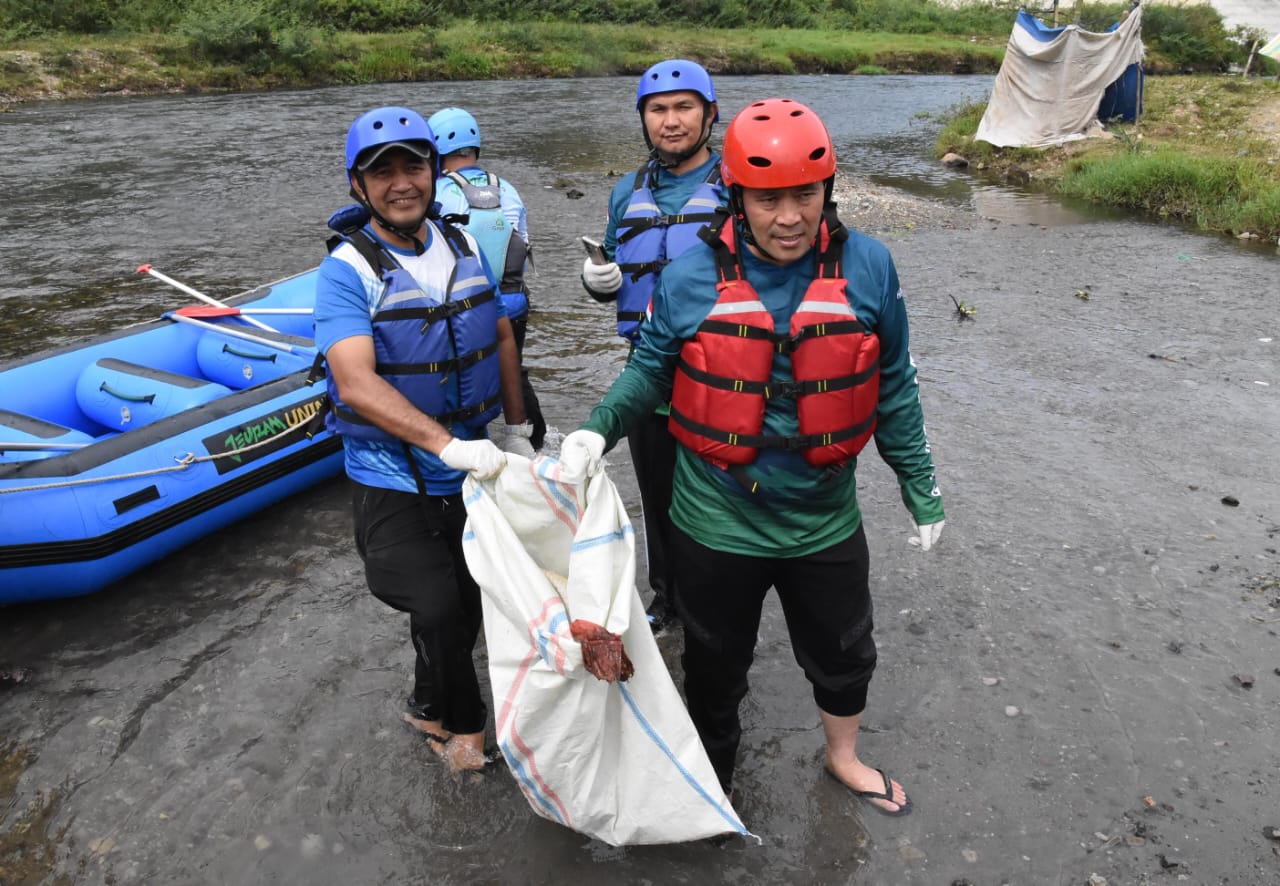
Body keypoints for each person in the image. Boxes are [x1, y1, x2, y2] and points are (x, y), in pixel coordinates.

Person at [559, 98, 946, 815]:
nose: (790, 217)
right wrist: (596, 430)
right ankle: (715, 781)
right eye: (769, 199)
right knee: (714, 662)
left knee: (845, 652)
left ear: (828, 189)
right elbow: (649, 371)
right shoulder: (688, 277)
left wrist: (920, 487)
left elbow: (893, 384)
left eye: (806, 194)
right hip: (716, 518)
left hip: (823, 518)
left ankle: (843, 757)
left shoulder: (870, 267)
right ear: (736, 196)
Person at [314, 105, 534, 772]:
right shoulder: (346, 270)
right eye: (382, 172)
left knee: (468, 606)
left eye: (413, 166)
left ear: (434, 172)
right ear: (358, 185)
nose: (401, 183)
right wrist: (445, 445)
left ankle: (426, 703)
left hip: (471, 467)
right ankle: (467, 732)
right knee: (436, 605)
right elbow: (354, 381)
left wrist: (518, 430)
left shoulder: (464, 244)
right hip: (391, 473)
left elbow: (500, 335)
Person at [579, 58, 727, 634]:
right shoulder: (627, 191)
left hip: (723, 375)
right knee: (658, 499)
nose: (671, 121)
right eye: (658, 110)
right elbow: (615, 260)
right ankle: (668, 599)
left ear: (709, 115)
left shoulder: (737, 183)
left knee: (723, 499)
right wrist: (598, 282)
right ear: (643, 119)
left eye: (684, 107)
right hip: (649, 378)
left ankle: (720, 601)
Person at [428, 106, 546, 450]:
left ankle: (462, 444)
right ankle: (535, 442)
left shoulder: (437, 192)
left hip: (466, 308)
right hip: (514, 301)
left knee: (456, 374)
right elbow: (522, 241)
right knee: (514, 370)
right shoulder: (507, 189)